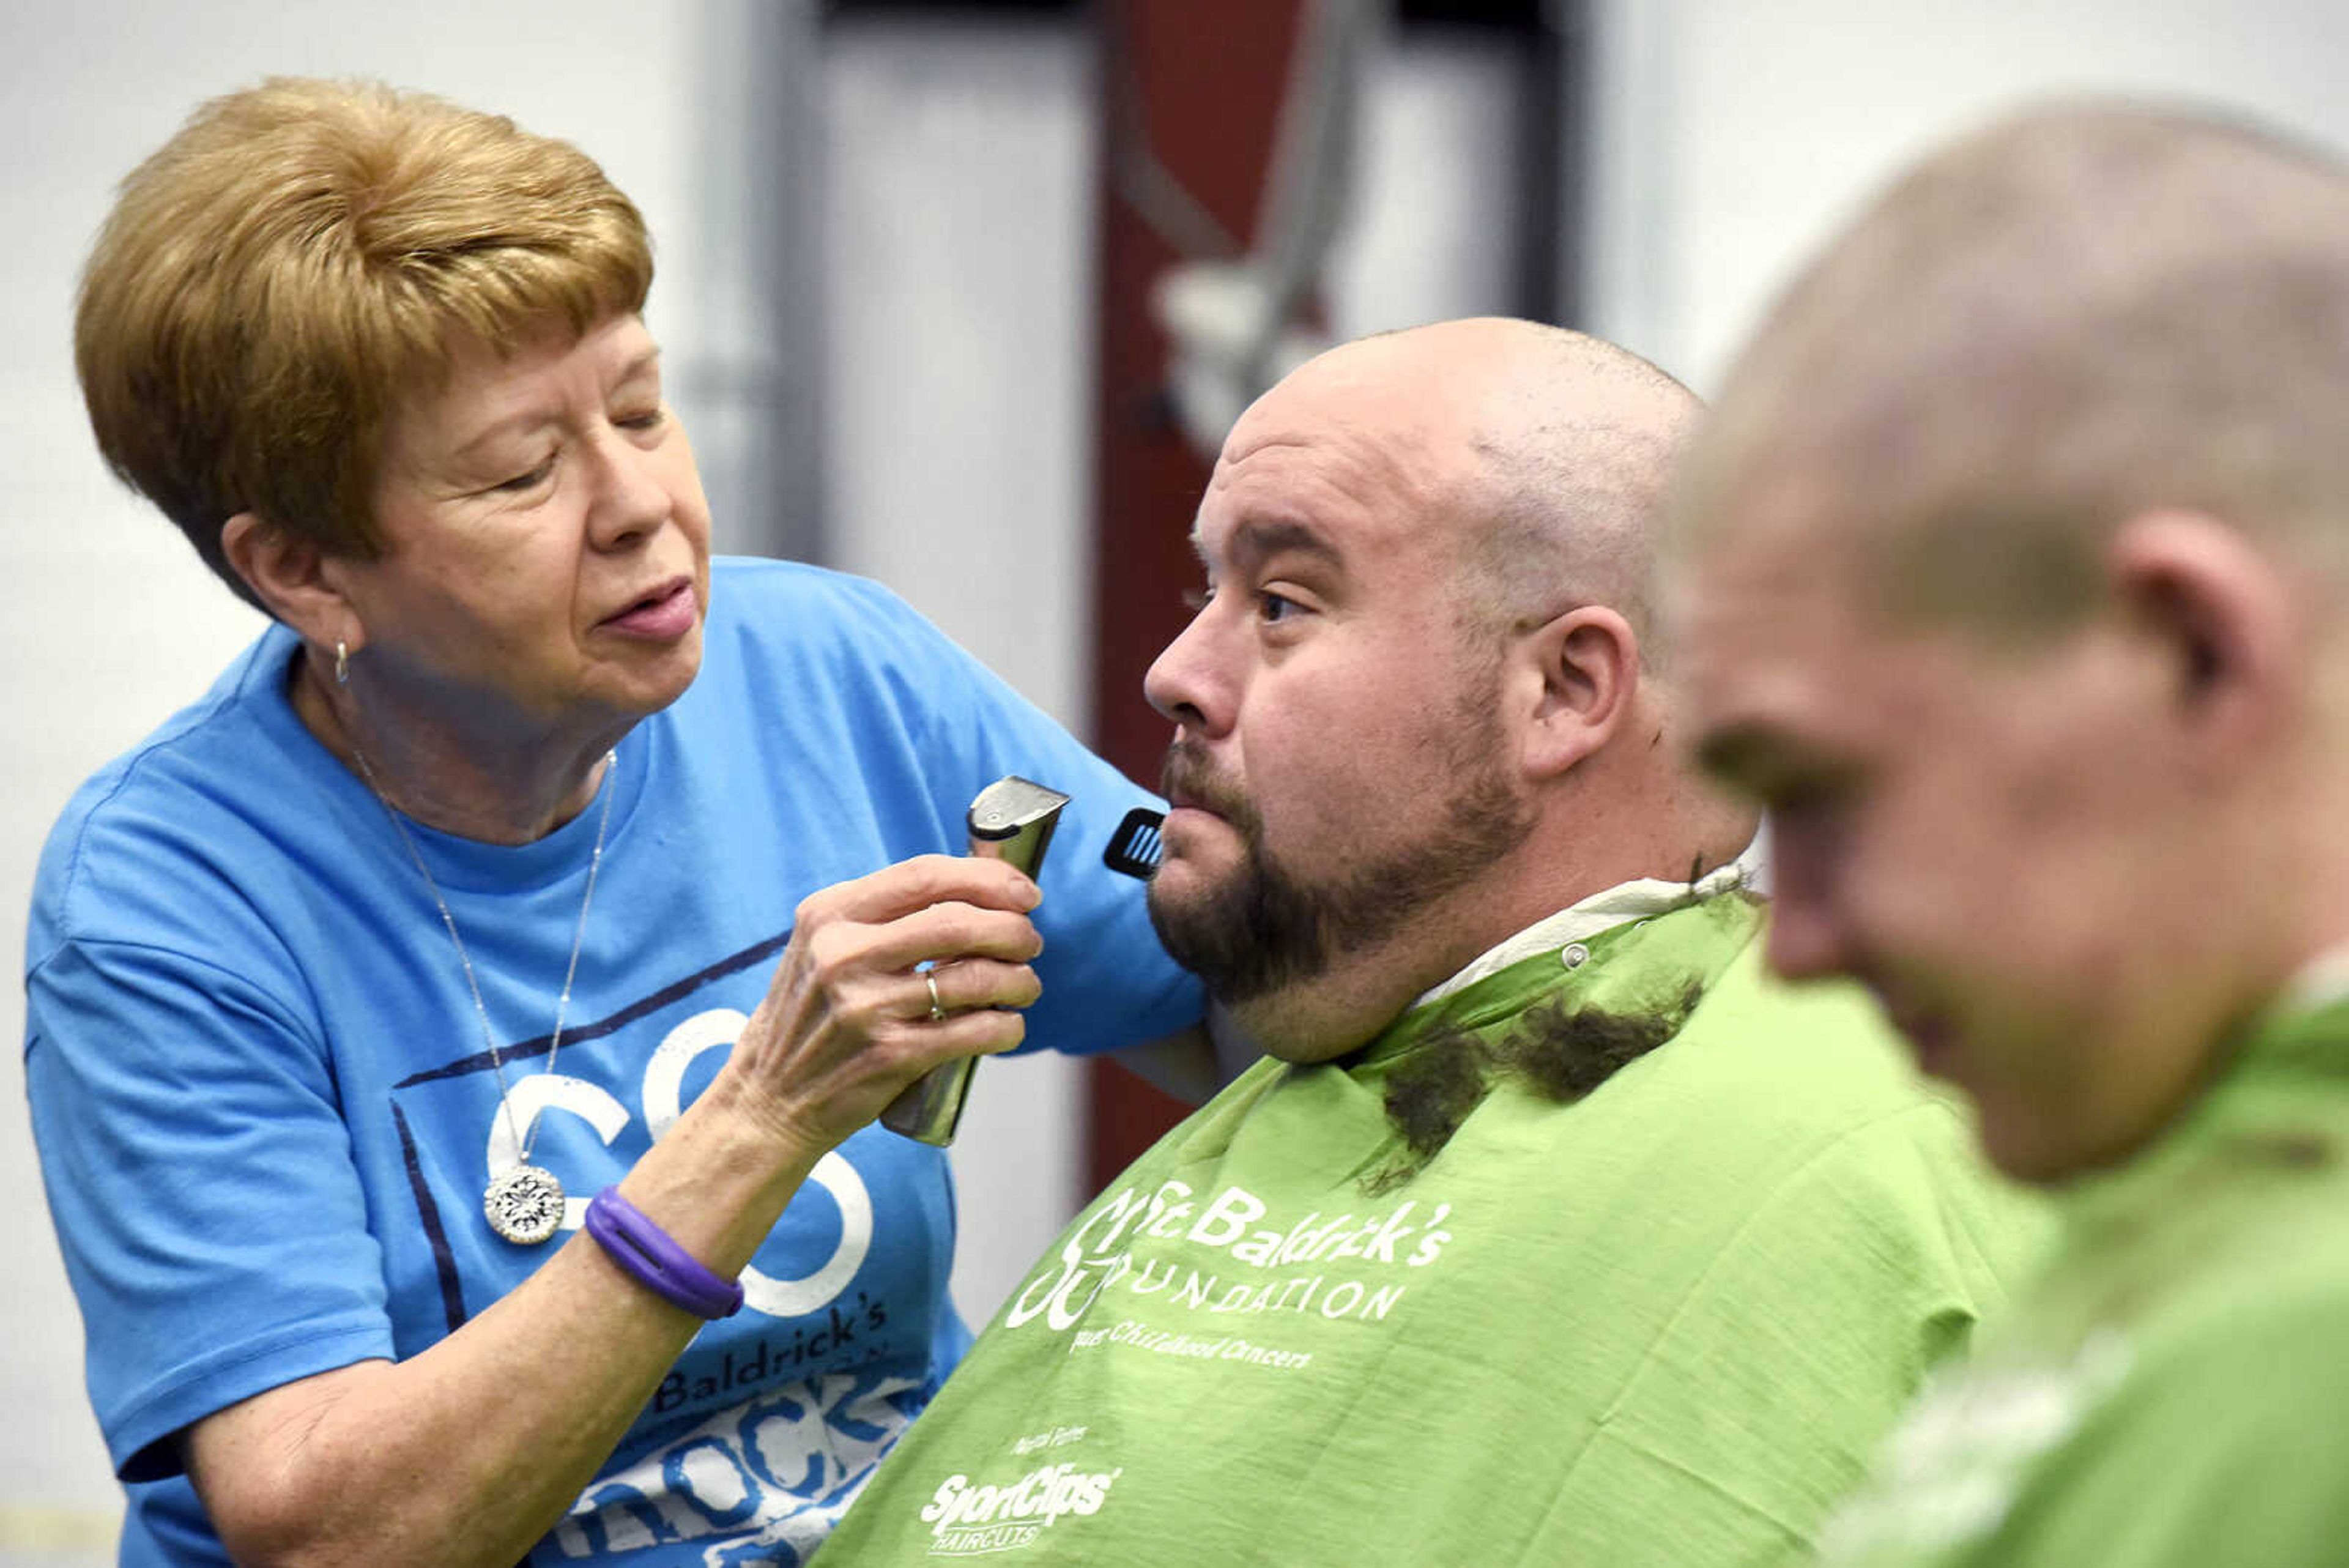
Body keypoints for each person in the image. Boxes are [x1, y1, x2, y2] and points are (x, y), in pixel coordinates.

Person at [25, 77, 1208, 1567]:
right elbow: (331, 1535)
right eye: (525, 472)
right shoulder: (166, 902)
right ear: (307, 575)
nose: (645, 502)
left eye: (645, 406)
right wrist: (759, 1119)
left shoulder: (835, 669)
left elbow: (1235, 964)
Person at [815, 317, 2046, 1567]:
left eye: (1282, 603)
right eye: (1208, 594)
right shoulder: (1320, 1063)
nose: (1174, 671)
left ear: (1564, 692)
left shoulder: (1917, 1149)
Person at [1674, 103, 2349, 1567]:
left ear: (2195, 655)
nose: (1793, 950)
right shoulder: (2177, 1217)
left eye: (1828, 792)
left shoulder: (2314, 1341)